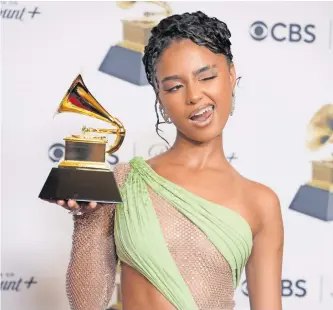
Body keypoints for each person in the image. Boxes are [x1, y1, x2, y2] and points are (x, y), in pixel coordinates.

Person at [53, 11, 284, 310]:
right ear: (159, 98)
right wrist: (87, 219)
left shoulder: (261, 202)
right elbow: (86, 304)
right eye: (175, 87)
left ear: (230, 76)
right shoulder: (125, 181)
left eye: (207, 77)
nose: (194, 96)